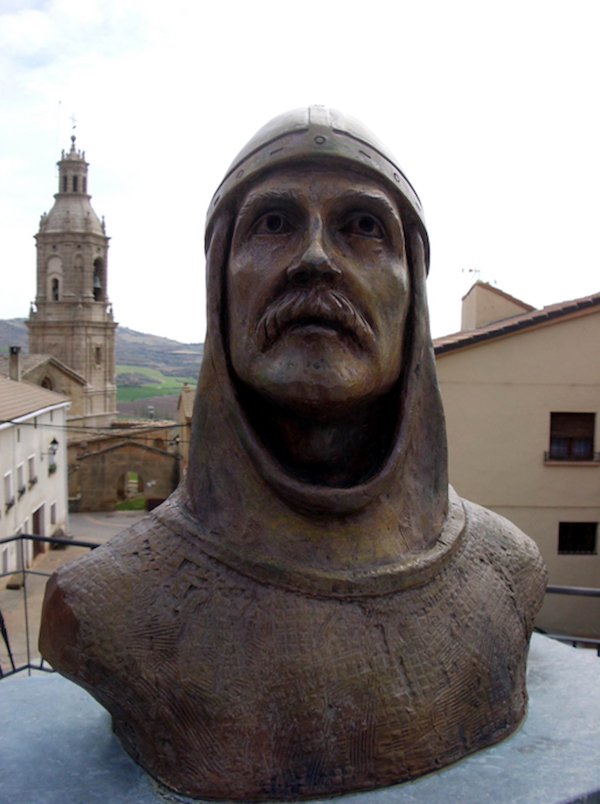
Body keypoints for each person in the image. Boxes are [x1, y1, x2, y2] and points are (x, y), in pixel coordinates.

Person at [40, 108, 546, 800]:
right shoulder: (104, 603)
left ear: (416, 295)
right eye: (273, 223)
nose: (315, 258)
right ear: (218, 281)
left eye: (363, 226)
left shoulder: (508, 570)